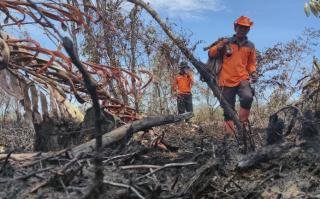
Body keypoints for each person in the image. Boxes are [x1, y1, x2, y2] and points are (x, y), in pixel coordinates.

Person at [208, 16, 258, 136]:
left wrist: (253, 72)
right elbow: (211, 53)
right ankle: (230, 136)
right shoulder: (227, 42)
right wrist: (220, 45)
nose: (243, 30)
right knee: (228, 109)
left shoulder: (250, 46)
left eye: (246, 28)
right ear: (236, 27)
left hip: (242, 79)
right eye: (241, 27)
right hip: (225, 80)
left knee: (247, 97)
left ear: (248, 30)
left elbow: (251, 63)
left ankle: (242, 127)